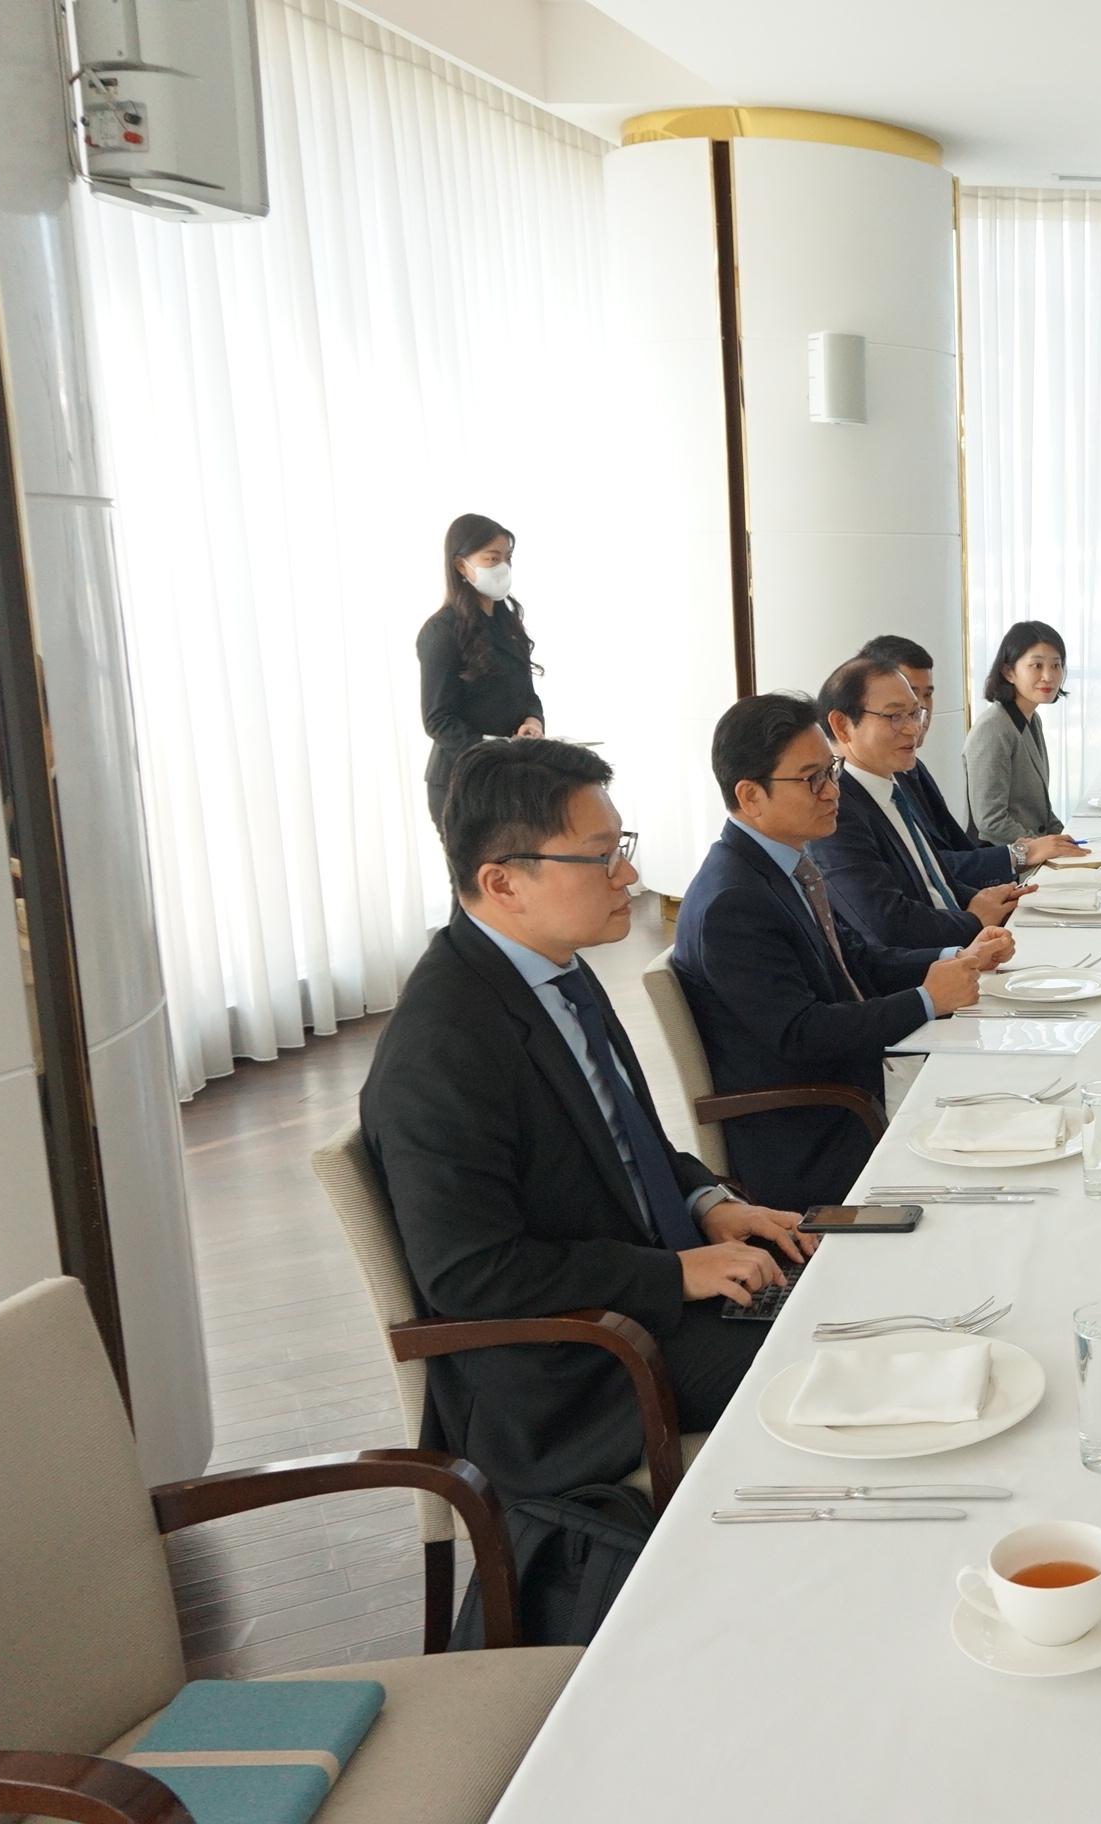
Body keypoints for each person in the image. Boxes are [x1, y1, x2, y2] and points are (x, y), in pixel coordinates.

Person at [359, 738, 807, 1501]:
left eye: (620, 847)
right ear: (503, 883)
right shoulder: (443, 1046)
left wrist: (711, 1204)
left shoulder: (556, 970)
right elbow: (472, 1273)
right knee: (829, 1359)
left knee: (851, 1295)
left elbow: (628, 1140)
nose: (629, 875)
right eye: (601, 856)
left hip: (634, 1302)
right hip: (574, 1371)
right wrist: (673, 1273)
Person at [673, 694, 1013, 1211]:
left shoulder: (782, 864)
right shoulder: (733, 901)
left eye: (829, 771)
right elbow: (801, 1032)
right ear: (751, 795)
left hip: (859, 1084)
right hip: (815, 1128)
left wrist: (959, 955)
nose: (833, 790)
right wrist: (926, 999)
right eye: (812, 779)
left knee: (1012, 1089)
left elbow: (861, 961)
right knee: (1003, 1154)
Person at [815, 650, 1036, 950]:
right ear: (842, 725)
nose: (913, 728)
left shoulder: (897, 782)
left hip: (968, 946)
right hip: (930, 970)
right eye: (894, 716)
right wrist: (973, 921)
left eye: (914, 713)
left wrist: (987, 900)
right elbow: (888, 924)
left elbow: (932, 881)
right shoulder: (837, 810)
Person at [416, 513, 543, 828]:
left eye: (507, 558)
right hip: (459, 781)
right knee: (473, 878)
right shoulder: (441, 631)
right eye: (492, 558)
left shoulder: (508, 624)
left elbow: (526, 695)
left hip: (509, 776)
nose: (503, 567)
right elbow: (437, 720)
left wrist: (532, 721)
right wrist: (495, 747)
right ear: (461, 566)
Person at [964, 619, 1070, 845]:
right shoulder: (993, 728)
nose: (1049, 676)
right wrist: (1044, 848)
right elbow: (990, 822)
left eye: (1056, 665)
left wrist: (1069, 840)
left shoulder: (1031, 719)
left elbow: (1042, 812)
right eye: (1037, 666)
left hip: (1030, 850)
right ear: (1009, 672)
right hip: (1002, 860)